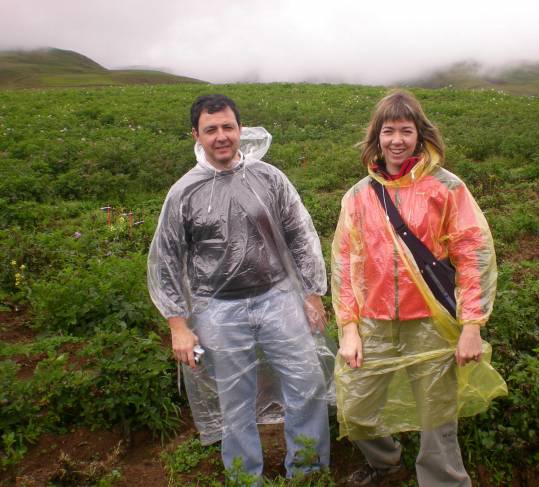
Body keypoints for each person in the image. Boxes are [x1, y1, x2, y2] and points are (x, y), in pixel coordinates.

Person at [147, 94, 332, 482]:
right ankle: (245, 477)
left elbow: (300, 235)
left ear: (240, 130)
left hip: (278, 297)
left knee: (306, 382)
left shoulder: (269, 178)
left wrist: (312, 294)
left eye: (227, 127)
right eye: (210, 129)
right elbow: (165, 260)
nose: (221, 136)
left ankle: (308, 472)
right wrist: (178, 326)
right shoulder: (184, 192)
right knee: (235, 401)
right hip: (218, 309)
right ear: (195, 135)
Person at [332, 90, 507, 486]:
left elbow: (473, 255)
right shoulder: (359, 195)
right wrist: (348, 327)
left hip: (430, 322)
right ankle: (387, 462)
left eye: (406, 131)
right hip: (374, 321)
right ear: (376, 137)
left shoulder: (446, 188)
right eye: (388, 131)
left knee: (437, 419)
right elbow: (346, 262)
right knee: (356, 406)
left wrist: (472, 325)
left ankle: (442, 480)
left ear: (420, 135)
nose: (397, 140)